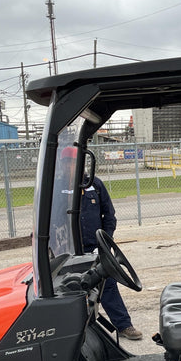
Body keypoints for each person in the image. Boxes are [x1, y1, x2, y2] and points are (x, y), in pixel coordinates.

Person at [61, 146, 143, 341]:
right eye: (68, 163)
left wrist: (105, 240)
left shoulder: (94, 185)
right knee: (69, 287)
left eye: (74, 162)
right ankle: (72, 331)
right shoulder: (57, 188)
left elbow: (109, 215)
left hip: (94, 247)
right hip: (69, 249)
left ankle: (124, 325)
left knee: (108, 285)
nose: (71, 167)